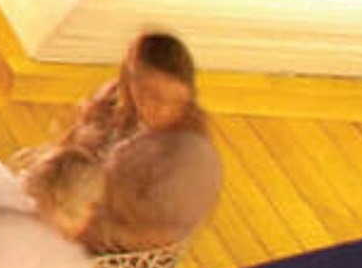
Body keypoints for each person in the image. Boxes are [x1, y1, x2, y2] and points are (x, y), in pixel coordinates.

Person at [19, 32, 223, 251]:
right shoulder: (115, 100)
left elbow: (157, 236)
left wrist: (78, 227)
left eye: (172, 101)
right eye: (146, 93)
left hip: (110, 247)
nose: (158, 108)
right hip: (63, 202)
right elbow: (70, 145)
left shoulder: (193, 158)